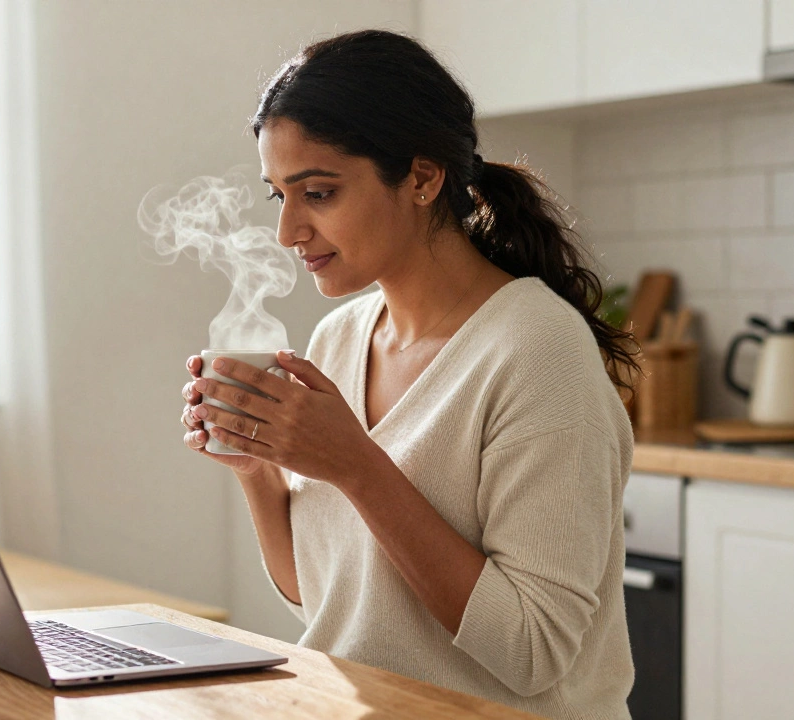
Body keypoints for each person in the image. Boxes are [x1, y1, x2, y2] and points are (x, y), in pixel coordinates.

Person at [179, 30, 639, 719]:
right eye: (280, 196)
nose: (289, 231)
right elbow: (324, 591)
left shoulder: (538, 352)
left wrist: (357, 465)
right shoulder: (338, 338)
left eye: (321, 192)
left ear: (423, 178)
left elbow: (534, 652)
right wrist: (258, 463)